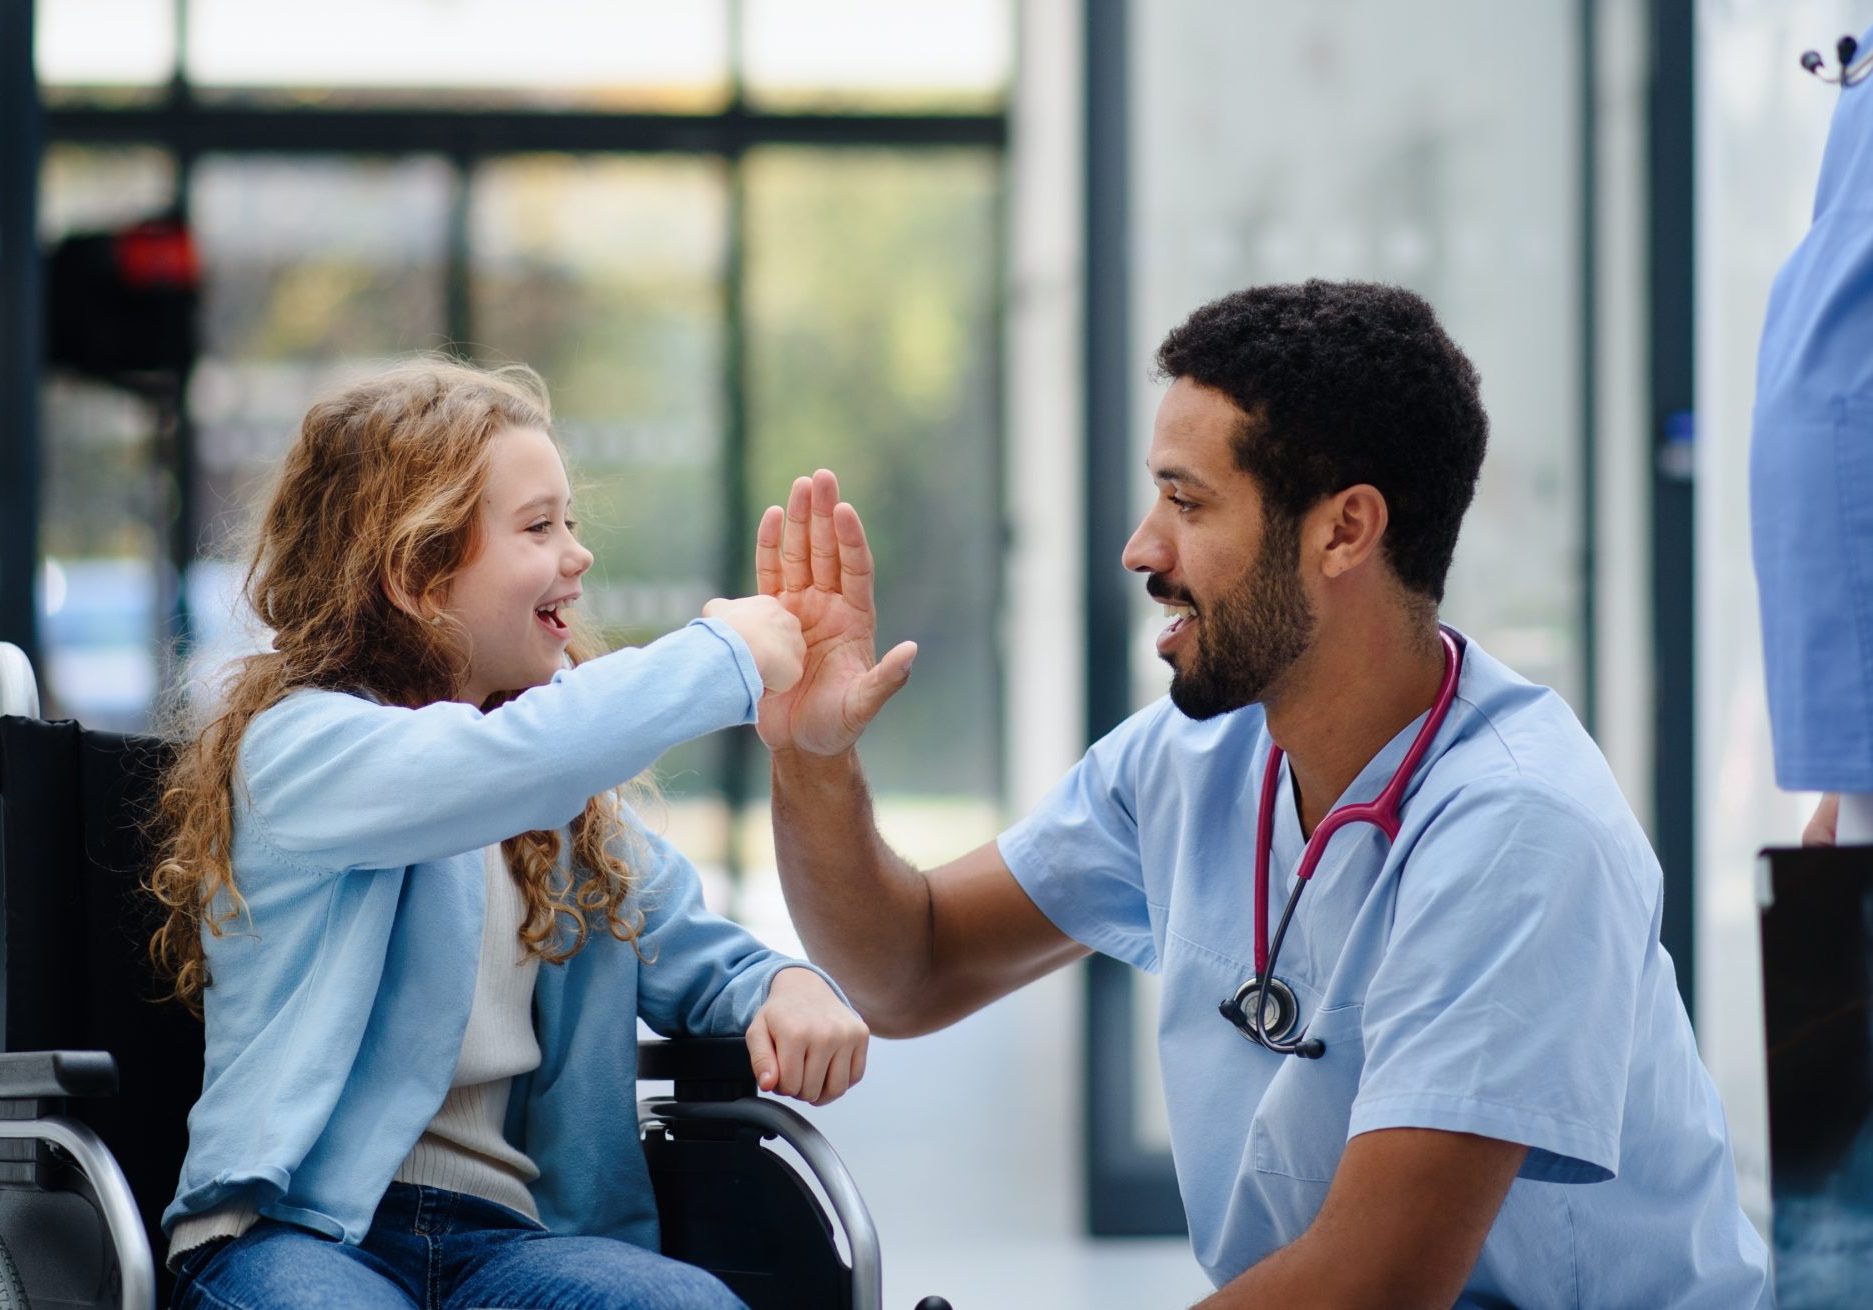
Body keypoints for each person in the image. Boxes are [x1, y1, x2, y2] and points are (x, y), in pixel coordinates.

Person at [757, 282, 1771, 1307]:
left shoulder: (1519, 830)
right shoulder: (1192, 758)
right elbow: (908, 967)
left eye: (1187, 502)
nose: (1142, 548)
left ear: (1344, 530)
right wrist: (813, 756)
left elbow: (1373, 1283)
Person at [149, 359, 869, 1310]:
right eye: (538, 527)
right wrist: (724, 656)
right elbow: (495, 766)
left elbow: (696, 950)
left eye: (571, 522)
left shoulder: (563, 816)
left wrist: (785, 984)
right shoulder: (303, 749)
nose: (577, 555)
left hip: (507, 1245)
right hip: (301, 1235)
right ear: (413, 571)